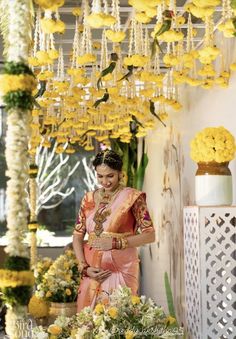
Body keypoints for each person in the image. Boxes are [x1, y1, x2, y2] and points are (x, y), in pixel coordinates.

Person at [73, 149, 155, 312]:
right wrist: (84, 268)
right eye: (100, 176)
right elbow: (77, 236)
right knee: (87, 325)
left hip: (121, 270)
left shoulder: (132, 198)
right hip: (91, 272)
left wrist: (115, 242)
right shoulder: (88, 199)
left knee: (119, 321)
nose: (105, 181)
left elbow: (150, 235)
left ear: (120, 173)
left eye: (110, 175)